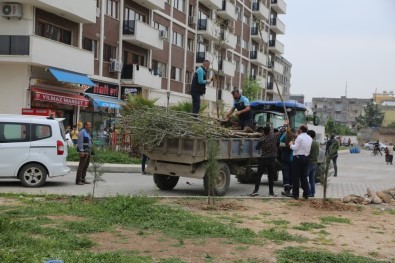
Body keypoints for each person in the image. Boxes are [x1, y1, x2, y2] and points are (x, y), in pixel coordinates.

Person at [251, 120, 288, 197]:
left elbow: (257, 147)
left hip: (263, 159)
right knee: (270, 177)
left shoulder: (262, 139)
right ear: (270, 131)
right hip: (272, 160)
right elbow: (281, 131)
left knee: (259, 175)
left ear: (264, 132)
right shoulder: (274, 137)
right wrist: (285, 124)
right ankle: (271, 192)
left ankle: (255, 191)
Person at [286, 124, 312, 199]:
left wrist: (291, 145)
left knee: (296, 177)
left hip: (298, 158)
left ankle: (296, 194)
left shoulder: (299, 137)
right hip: (306, 157)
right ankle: (306, 193)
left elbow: (295, 148)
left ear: (300, 130)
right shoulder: (310, 138)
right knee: (304, 177)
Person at [279, 128, 296, 196]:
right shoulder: (295, 138)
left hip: (285, 157)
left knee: (285, 173)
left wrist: (285, 145)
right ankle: (291, 189)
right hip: (292, 158)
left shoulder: (285, 136)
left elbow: (280, 142)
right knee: (291, 174)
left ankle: (287, 190)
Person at [306, 130, 319, 197]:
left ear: (309, 135)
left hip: (309, 162)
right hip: (315, 162)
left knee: (304, 177)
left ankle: (308, 192)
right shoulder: (316, 143)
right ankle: (312, 192)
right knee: (312, 179)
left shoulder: (309, 142)